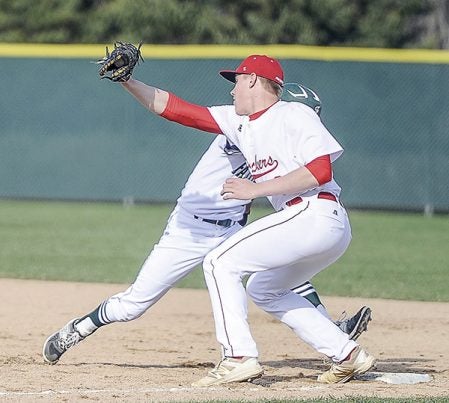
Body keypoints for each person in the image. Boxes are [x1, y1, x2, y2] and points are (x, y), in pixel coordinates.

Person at [42, 82, 371, 366]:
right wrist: (130, 82)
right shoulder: (242, 126)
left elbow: (304, 171)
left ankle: (327, 332)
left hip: (231, 227)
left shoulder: (289, 143)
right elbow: (179, 110)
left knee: (275, 273)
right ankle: (79, 328)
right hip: (190, 227)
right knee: (132, 305)